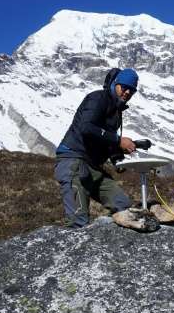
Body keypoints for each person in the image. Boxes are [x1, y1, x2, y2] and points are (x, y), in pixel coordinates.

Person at [54, 67, 139, 228]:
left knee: (124, 207)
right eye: (125, 87)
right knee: (78, 223)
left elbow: (103, 139)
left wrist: (118, 153)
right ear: (115, 84)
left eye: (132, 90)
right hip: (73, 161)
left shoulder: (116, 111)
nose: (128, 92)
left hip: (93, 167)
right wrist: (118, 140)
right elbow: (86, 127)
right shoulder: (98, 98)